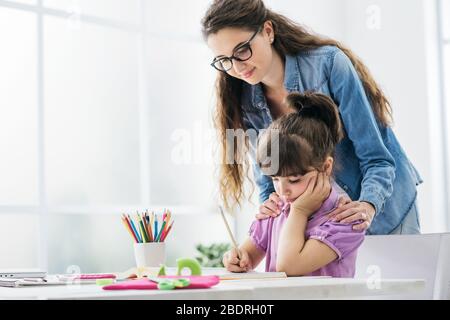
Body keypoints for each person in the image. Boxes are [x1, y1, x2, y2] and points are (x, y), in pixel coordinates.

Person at [202, 0, 422, 235]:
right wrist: (269, 208)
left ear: (268, 31)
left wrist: (368, 205)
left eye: (242, 50)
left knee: (401, 271)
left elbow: (377, 158)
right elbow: (269, 180)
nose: (237, 67)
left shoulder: (328, 65)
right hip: (325, 227)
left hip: (385, 211)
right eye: (225, 60)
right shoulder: (243, 101)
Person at [223, 92, 365, 277]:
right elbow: (248, 256)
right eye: (275, 179)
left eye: (294, 179)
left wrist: (300, 211)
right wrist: (235, 258)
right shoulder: (276, 209)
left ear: (326, 167)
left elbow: (288, 266)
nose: (283, 191)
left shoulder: (345, 221)